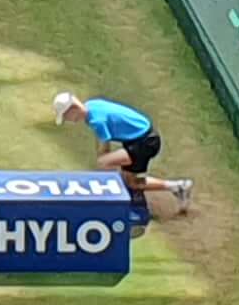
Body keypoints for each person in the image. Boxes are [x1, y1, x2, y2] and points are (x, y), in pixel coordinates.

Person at [49, 89, 196, 216]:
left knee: (105, 162)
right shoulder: (92, 105)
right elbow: (102, 141)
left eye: (66, 116)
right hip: (139, 139)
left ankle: (114, 196)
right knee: (130, 181)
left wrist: (104, 164)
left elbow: (103, 149)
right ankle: (178, 186)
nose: (68, 120)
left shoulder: (96, 120)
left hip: (144, 143)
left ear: (73, 109)